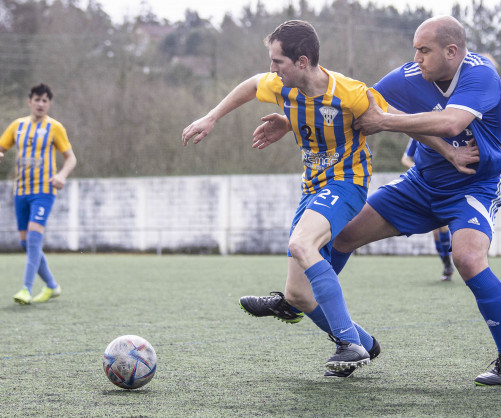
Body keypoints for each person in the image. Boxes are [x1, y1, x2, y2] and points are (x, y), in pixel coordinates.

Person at [249, 16, 501, 386]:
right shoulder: (411, 74)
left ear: (453, 51)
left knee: (467, 257)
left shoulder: (482, 75)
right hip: (419, 185)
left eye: (424, 50)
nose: (416, 58)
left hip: (471, 187)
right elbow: (350, 101)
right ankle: (305, 306)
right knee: (342, 235)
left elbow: (450, 123)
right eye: (414, 49)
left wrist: (386, 123)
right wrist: (292, 119)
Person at [181, 20, 454, 377]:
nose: (272, 69)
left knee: (301, 243)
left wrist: (450, 152)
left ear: (303, 61)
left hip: (347, 183)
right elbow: (250, 86)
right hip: (312, 187)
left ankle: (346, 343)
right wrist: (211, 117)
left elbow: (398, 120)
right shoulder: (283, 86)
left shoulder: (351, 93)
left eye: (278, 61)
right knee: (298, 295)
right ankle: (364, 343)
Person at [0, 83, 77, 305]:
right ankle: (52, 286)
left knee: (34, 238)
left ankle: (26, 288)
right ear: (30, 101)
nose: (41, 104)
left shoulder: (55, 128)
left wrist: (61, 175)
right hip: (20, 191)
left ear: (49, 104)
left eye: (45, 100)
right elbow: (2, 147)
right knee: (26, 243)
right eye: (37, 99)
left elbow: (71, 158)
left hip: (43, 191)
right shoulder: (17, 126)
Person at [401, 139, 454, 281]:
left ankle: (448, 263)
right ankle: (446, 262)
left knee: (442, 225)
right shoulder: (416, 134)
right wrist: (420, 167)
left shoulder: (443, 132)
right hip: (425, 185)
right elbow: (405, 159)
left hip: (444, 183)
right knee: (436, 232)